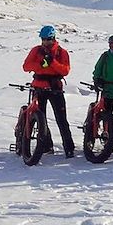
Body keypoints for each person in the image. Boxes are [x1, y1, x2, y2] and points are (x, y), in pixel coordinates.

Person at [22, 25, 75, 158]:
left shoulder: (61, 52)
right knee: (41, 119)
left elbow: (65, 70)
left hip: (55, 88)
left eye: (48, 39)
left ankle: (69, 148)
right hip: (39, 88)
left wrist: (52, 63)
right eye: (43, 39)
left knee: (61, 120)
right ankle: (46, 146)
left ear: (53, 38)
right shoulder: (36, 50)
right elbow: (26, 66)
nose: (45, 42)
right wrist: (40, 65)